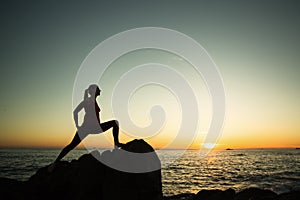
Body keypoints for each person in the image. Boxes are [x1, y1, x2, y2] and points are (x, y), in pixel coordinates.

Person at [53, 84, 123, 163]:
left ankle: (116, 144)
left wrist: (86, 92)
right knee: (71, 145)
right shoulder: (88, 101)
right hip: (89, 128)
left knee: (115, 123)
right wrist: (77, 125)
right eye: (98, 89)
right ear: (94, 91)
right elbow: (75, 112)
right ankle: (55, 162)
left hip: (93, 127)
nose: (100, 90)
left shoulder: (91, 100)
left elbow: (81, 107)